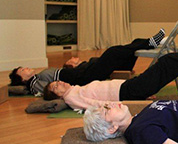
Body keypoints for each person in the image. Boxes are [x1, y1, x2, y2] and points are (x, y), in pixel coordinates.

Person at [43, 27, 178, 110]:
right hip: (127, 92)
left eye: (56, 82)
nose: (58, 82)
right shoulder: (72, 97)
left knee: (166, 62)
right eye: (55, 87)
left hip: (129, 88)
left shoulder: (74, 91)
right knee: (166, 63)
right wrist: (130, 103)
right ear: (58, 96)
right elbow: (97, 106)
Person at [8, 29, 166, 95]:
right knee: (112, 52)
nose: (27, 68)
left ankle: (149, 43)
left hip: (82, 72)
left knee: (128, 47)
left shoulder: (38, 77)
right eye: (23, 70)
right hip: (82, 77)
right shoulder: (34, 83)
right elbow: (49, 91)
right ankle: (150, 43)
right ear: (22, 78)